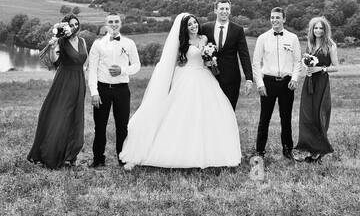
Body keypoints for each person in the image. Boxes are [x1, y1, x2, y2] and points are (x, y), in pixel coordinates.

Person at [120, 13, 242, 170]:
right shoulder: (182, 43)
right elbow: (174, 62)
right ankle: (175, 151)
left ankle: (209, 151)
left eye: (195, 23)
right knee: (182, 114)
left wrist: (210, 60)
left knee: (209, 114)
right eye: (189, 24)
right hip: (186, 78)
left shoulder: (204, 39)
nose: (193, 26)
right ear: (185, 28)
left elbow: (207, 62)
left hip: (205, 77)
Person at [26, 13, 87, 168]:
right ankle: (51, 154)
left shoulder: (83, 41)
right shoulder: (61, 41)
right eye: (71, 25)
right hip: (64, 81)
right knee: (60, 116)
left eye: (76, 24)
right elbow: (55, 61)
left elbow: (84, 61)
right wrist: (53, 47)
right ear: (64, 27)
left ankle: (70, 155)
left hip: (79, 82)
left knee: (75, 118)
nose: (74, 27)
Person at [86, 11, 140, 167]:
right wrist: (94, 92)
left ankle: (122, 158)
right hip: (103, 89)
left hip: (122, 90)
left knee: (122, 126)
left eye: (116, 21)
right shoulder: (98, 44)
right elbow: (93, 70)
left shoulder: (129, 43)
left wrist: (123, 70)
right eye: (111, 22)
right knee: (100, 126)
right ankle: (98, 159)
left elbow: (137, 65)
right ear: (106, 25)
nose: (114, 24)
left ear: (120, 23)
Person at [252, 7, 302, 160]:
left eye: (278, 18)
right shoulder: (262, 38)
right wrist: (259, 83)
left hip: (287, 83)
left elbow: (297, 61)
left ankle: (287, 150)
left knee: (286, 118)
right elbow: (255, 62)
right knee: (264, 118)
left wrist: (294, 78)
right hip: (268, 82)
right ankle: (259, 151)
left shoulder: (293, 38)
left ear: (284, 19)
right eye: (272, 17)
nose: (274, 20)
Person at [295, 16, 338, 163]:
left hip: (321, 83)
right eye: (315, 28)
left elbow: (336, 67)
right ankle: (309, 148)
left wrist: (322, 68)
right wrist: (307, 70)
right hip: (309, 83)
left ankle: (319, 150)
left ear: (325, 30)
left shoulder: (330, 45)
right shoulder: (310, 44)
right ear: (312, 30)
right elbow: (307, 64)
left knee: (320, 114)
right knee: (307, 115)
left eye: (321, 28)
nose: (318, 30)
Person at [201, 0, 253, 109]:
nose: (224, 11)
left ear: (230, 10)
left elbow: (244, 55)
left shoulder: (238, 30)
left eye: (227, 9)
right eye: (221, 8)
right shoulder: (205, 28)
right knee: (211, 111)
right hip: (209, 77)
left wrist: (249, 78)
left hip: (232, 79)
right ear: (215, 10)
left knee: (229, 110)